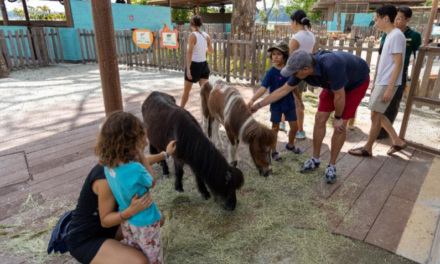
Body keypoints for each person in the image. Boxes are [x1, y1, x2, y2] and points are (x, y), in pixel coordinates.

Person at [250, 49, 370, 183]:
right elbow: (283, 90)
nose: (291, 75)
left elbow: (340, 95)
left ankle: (331, 165)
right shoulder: (302, 68)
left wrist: (337, 117)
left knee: (340, 126)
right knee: (319, 119)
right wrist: (257, 106)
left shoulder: (331, 65)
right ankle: (315, 160)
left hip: (355, 83)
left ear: (306, 69)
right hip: (333, 84)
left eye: (293, 72)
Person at [66, 126, 177, 264]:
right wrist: (131, 211)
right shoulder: (104, 177)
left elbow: (143, 161)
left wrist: (165, 154)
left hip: (112, 226)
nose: (147, 144)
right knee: (140, 261)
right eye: (142, 140)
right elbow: (105, 221)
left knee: (157, 219)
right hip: (87, 239)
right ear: (129, 145)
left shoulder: (121, 161)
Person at [349, 4, 407, 157]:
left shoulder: (395, 36)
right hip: (383, 81)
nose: (375, 23)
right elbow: (387, 64)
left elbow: (398, 64)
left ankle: (367, 148)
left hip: (387, 83)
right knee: (377, 114)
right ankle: (397, 141)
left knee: (375, 115)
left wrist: (388, 88)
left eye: (376, 20)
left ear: (386, 18)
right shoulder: (390, 35)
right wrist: (377, 83)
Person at [247, 41, 303, 163]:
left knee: (294, 127)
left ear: (285, 56)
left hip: (289, 104)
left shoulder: (290, 71)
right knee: (275, 129)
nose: (275, 57)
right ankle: (274, 152)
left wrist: (300, 100)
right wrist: (252, 99)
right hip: (276, 105)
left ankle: (290, 145)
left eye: (278, 54)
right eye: (273, 54)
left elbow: (295, 87)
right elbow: (263, 89)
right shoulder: (271, 72)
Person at [376, 6, 422, 139]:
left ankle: (385, 132)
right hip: (385, 72)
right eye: (395, 18)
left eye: (399, 18)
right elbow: (382, 50)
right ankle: (380, 129)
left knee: (393, 102)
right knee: (379, 105)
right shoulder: (388, 33)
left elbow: (417, 54)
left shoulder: (414, 36)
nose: (395, 21)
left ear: (408, 19)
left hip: (400, 71)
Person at [287, 9, 316, 139]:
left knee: (297, 101)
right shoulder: (311, 35)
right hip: (306, 72)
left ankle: (300, 130)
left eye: (290, 22)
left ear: (294, 22)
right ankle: (284, 123)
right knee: (295, 98)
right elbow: (314, 54)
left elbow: (290, 58)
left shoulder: (297, 37)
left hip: (295, 73)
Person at [181, 15, 214, 108]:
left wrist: (188, 68)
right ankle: (209, 115)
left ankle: (180, 110)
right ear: (200, 24)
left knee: (186, 90)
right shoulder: (206, 35)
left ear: (192, 24)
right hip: (204, 65)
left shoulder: (192, 35)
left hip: (194, 65)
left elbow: (190, 52)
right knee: (205, 93)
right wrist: (203, 49)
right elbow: (211, 51)